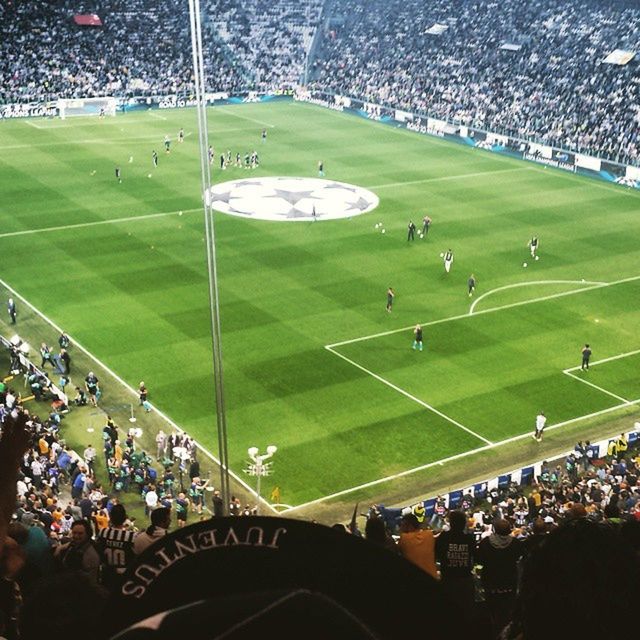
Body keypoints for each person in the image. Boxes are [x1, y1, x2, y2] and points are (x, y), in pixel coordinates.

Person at [476, 519, 523, 638]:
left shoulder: (485, 543)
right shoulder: (516, 543)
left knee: (493, 611)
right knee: (508, 610)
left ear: (494, 529)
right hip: (509, 581)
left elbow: (479, 560)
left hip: (491, 581)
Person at [435, 510, 475, 613]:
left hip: (448, 579)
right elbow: (474, 556)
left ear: (451, 524)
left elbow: (437, 555)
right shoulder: (469, 539)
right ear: (464, 524)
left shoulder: (443, 537)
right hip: (464, 579)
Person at [96, 503, 136, 590]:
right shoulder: (132, 536)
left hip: (106, 574)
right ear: (125, 518)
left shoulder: (103, 532)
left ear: (110, 517)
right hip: (124, 576)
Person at [397, 513, 438, 579]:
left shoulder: (404, 538)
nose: (400, 528)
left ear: (410, 526)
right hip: (433, 578)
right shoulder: (429, 534)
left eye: (402, 526)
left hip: (416, 580)